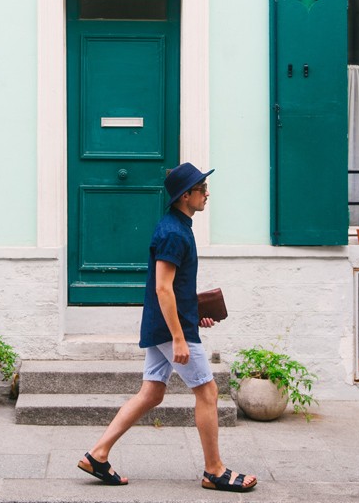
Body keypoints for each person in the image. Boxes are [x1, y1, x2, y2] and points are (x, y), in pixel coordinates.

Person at [77, 162, 258, 493]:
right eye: (202, 189)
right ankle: (214, 470)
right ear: (185, 195)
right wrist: (179, 336)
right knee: (208, 392)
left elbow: (175, 289)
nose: (207, 194)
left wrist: (195, 312)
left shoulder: (177, 227)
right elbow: (163, 287)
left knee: (152, 393)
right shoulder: (173, 233)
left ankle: (97, 454)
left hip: (167, 325)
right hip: (170, 330)